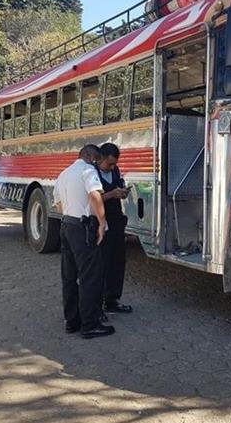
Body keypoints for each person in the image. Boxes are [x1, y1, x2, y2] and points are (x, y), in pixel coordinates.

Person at [53, 144, 114, 339]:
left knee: (69, 277)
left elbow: (58, 205)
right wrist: (101, 223)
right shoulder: (87, 170)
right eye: (96, 159)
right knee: (90, 276)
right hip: (83, 228)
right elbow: (95, 195)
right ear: (90, 156)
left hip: (67, 225)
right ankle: (90, 324)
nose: (97, 163)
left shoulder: (63, 174)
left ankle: (72, 321)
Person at [96, 143, 133, 314]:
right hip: (100, 223)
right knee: (101, 263)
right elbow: (91, 200)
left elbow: (119, 184)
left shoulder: (115, 171)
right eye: (109, 164)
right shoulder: (92, 174)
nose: (112, 167)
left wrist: (123, 192)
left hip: (116, 220)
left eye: (114, 164)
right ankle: (97, 302)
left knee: (117, 261)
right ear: (100, 159)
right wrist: (111, 194)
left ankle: (113, 299)